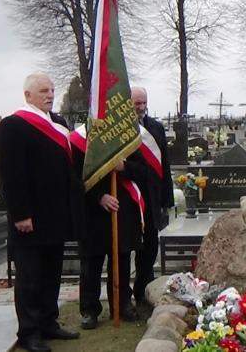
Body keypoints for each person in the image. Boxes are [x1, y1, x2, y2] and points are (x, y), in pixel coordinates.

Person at [0, 73, 81, 352]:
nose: (50, 95)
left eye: (52, 90)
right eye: (44, 90)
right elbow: (12, 174)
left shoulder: (58, 123)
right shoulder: (13, 125)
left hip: (56, 215)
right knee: (30, 278)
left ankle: (48, 322)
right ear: (28, 95)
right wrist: (20, 214)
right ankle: (29, 331)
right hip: (29, 217)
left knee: (51, 274)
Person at [72, 126, 143, 329]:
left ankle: (121, 304)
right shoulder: (80, 139)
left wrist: (123, 167)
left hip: (121, 209)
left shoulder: (126, 135)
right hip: (92, 211)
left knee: (121, 260)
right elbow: (75, 177)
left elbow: (143, 171)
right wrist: (99, 197)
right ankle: (89, 309)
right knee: (90, 264)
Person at [129, 87, 174, 310]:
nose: (141, 107)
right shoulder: (121, 129)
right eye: (136, 103)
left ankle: (143, 292)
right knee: (130, 248)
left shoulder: (155, 127)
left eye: (143, 103)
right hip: (130, 197)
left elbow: (164, 164)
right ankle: (125, 298)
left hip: (152, 196)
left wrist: (167, 199)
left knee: (149, 248)